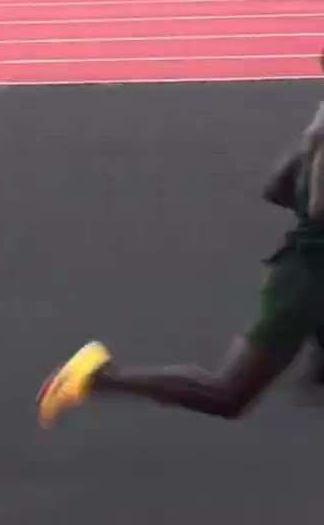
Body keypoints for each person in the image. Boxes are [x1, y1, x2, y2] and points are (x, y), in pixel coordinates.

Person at [38, 55, 324, 426]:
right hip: (306, 281)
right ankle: (93, 376)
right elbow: (319, 207)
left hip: (309, 267)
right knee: (227, 394)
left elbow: (277, 187)